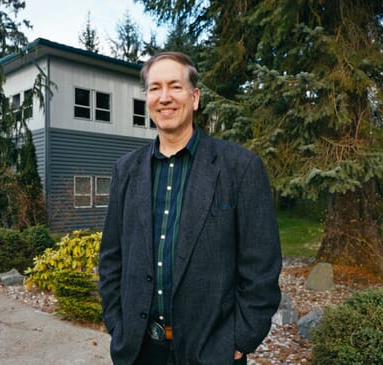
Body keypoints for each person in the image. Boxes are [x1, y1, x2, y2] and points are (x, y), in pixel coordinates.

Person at [98, 51, 282, 365]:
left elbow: (260, 265)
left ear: (194, 98)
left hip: (211, 352)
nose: (164, 97)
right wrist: (117, 324)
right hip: (139, 351)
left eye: (175, 86)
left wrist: (240, 339)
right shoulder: (125, 170)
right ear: (147, 99)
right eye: (155, 88)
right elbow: (112, 257)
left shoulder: (240, 167)